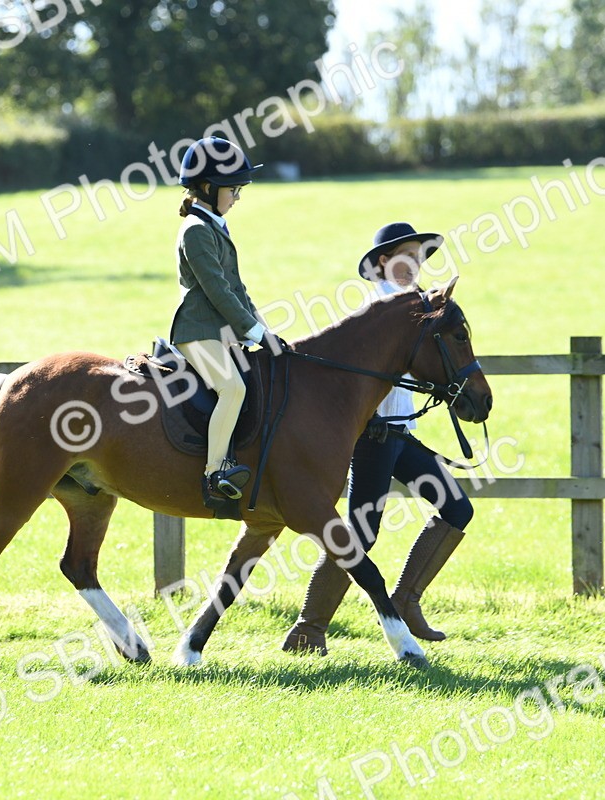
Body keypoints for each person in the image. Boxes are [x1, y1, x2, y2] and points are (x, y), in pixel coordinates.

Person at [282, 222, 473, 655]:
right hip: (371, 439)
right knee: (361, 535)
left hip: (401, 438)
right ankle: (308, 628)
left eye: (421, 257)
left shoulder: (419, 313)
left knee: (457, 508)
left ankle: (406, 600)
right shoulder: (377, 312)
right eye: (407, 255)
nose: (416, 265)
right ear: (383, 262)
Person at [170, 137, 287, 505]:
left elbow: (238, 288)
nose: (237, 197)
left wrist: (264, 331)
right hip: (197, 331)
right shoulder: (196, 231)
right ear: (209, 187)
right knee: (232, 388)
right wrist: (253, 332)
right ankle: (215, 472)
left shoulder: (214, 226)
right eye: (233, 189)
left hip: (219, 332)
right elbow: (219, 292)